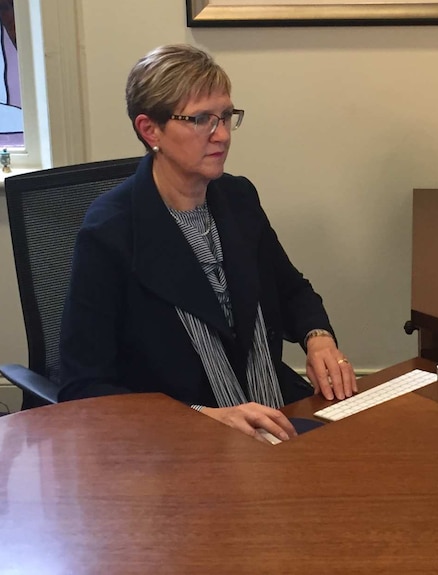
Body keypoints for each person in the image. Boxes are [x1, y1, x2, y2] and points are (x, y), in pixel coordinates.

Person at [58, 44, 357, 442]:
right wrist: (202, 418)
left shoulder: (237, 197)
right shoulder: (109, 232)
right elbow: (84, 386)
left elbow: (291, 290)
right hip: (179, 441)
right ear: (150, 131)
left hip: (272, 412)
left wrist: (318, 338)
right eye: (201, 119)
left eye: (226, 117)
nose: (221, 135)